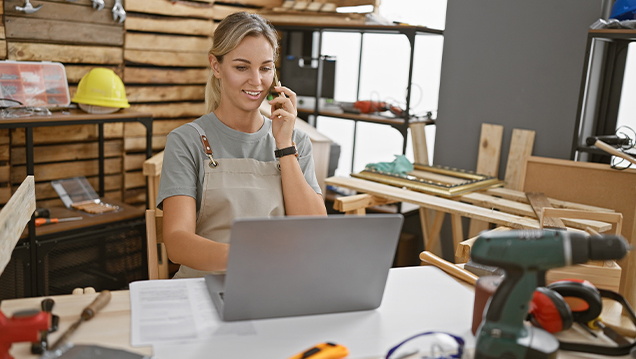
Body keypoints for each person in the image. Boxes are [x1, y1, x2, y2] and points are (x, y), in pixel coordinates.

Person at [156, 12, 327, 278]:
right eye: (241, 67)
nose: (256, 81)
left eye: (265, 68)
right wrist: (245, 258)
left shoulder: (295, 141)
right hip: (202, 289)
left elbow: (314, 231)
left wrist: (283, 146)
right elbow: (177, 243)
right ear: (216, 66)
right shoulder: (186, 141)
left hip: (274, 285)